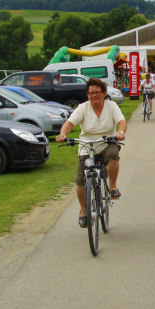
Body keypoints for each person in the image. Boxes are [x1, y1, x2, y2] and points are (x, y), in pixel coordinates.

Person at [55, 78, 127, 228]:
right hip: (86, 145)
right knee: (81, 180)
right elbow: (70, 123)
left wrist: (120, 132)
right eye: (91, 93)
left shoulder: (111, 106)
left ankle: (112, 187)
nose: (94, 96)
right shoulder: (83, 107)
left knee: (113, 155)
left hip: (107, 142)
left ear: (104, 93)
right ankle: (83, 211)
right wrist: (63, 134)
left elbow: (121, 121)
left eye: (97, 92)